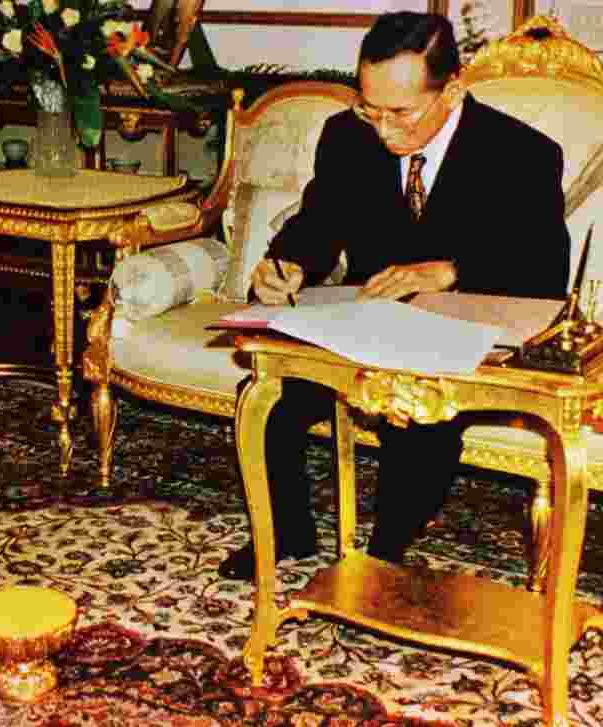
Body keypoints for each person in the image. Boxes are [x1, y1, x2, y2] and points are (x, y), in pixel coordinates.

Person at [219, 12, 571, 581]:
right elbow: (320, 221)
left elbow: (544, 272)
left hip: (461, 339)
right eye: (370, 108)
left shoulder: (521, 154)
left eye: (401, 114)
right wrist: (285, 263)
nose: (382, 131)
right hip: (366, 326)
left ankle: (380, 561)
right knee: (267, 394)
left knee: (418, 421)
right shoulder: (347, 135)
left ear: (452, 89)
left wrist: (450, 270)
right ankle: (288, 532)